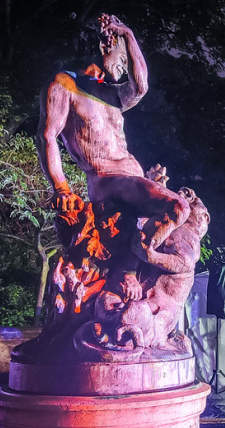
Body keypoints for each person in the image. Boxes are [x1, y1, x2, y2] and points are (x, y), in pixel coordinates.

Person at [37, 13, 189, 300]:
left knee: (178, 221)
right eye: (121, 60)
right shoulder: (65, 85)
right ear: (104, 48)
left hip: (131, 178)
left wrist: (128, 35)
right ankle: (129, 268)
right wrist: (61, 186)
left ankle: (136, 268)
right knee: (179, 208)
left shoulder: (113, 95)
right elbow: (47, 136)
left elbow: (141, 86)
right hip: (106, 179)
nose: (124, 68)